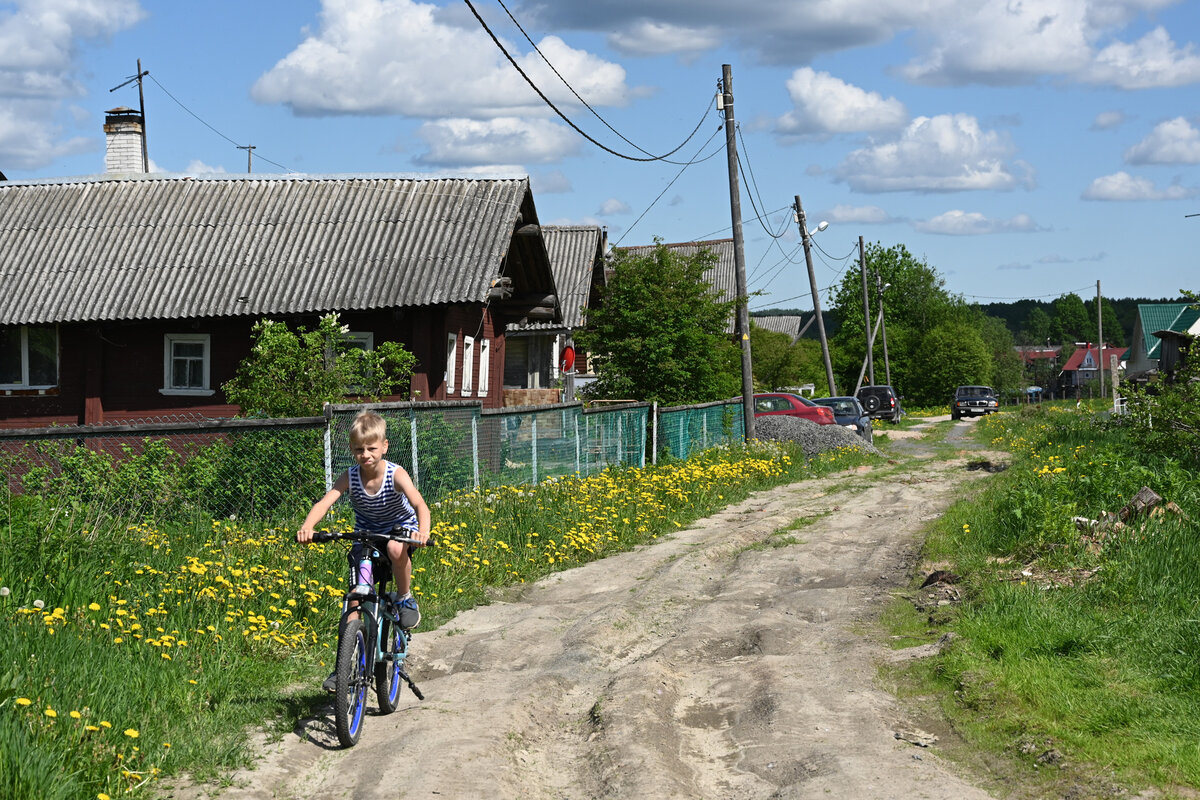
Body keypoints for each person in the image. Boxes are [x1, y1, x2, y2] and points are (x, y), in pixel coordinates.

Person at [297, 410, 431, 690]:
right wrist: (308, 526)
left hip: (398, 529)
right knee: (354, 601)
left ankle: (405, 597)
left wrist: (422, 532)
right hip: (367, 535)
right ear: (352, 450)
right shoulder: (350, 475)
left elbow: (420, 504)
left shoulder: (396, 474)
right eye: (359, 449)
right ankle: (342, 669)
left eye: (371, 448)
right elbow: (325, 502)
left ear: (384, 446)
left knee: (396, 549)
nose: (365, 454)